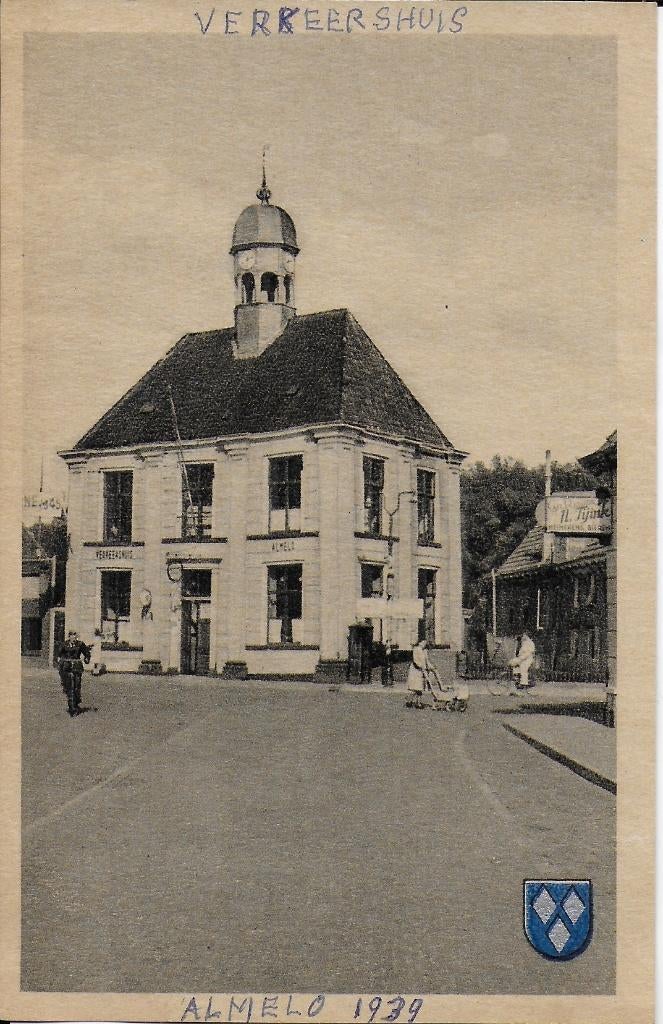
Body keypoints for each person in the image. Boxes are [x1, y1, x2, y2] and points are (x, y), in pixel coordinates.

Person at [57, 630, 92, 716]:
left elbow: (86, 653)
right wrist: (60, 660)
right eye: (71, 636)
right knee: (70, 687)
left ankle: (76, 704)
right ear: (69, 636)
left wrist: (87, 658)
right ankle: (72, 708)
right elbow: (58, 655)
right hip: (67, 668)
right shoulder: (64, 644)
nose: (73, 637)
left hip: (77, 667)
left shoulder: (80, 644)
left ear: (77, 637)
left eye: (75, 636)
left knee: (77, 686)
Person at [406, 638, 432, 709]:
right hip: (415, 671)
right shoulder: (416, 649)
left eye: (425, 643)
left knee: (420, 688)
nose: (424, 644)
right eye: (423, 643)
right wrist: (422, 667)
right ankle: (409, 701)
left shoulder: (424, 651)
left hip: (421, 671)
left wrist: (431, 667)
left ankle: (418, 702)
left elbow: (427, 661)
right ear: (420, 642)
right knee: (415, 688)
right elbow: (416, 661)